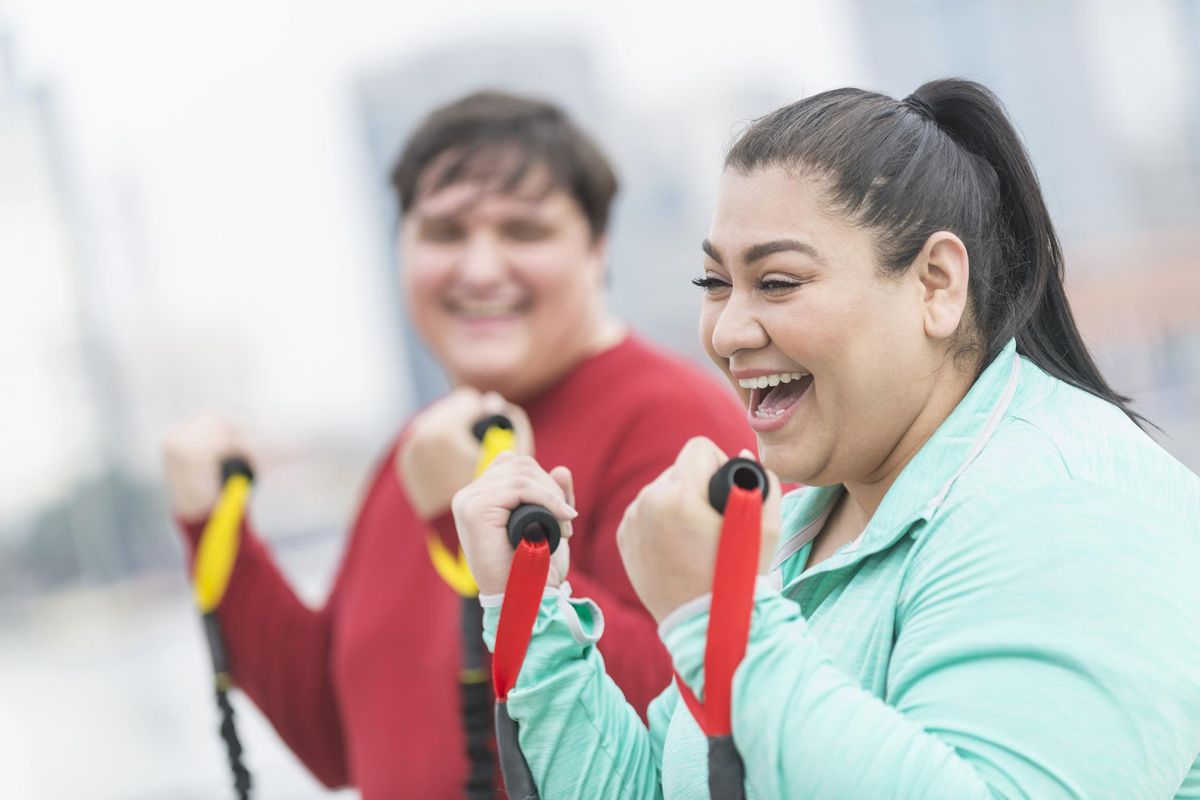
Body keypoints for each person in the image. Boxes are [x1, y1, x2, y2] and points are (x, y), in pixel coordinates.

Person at [453, 78, 1200, 798]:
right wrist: (532, 609)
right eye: (714, 284)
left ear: (936, 283)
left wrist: (720, 619)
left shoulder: (1068, 503)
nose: (729, 330)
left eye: (776, 282)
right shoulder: (801, 522)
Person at [163, 90, 754, 798]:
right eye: (444, 232)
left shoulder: (670, 420)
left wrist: (467, 521)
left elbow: (698, 714)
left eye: (523, 231)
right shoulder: (420, 448)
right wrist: (213, 530)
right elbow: (335, 737)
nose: (478, 269)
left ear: (596, 250)